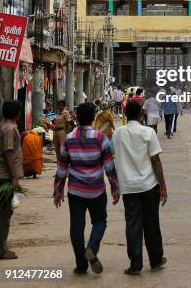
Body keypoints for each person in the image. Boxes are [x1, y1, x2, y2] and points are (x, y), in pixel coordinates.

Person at [53, 102, 119, 275]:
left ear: (77, 118)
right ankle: (91, 247)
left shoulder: (69, 139)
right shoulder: (100, 138)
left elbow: (62, 167)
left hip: (75, 191)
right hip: (96, 190)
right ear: (92, 118)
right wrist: (114, 187)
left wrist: (58, 190)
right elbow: (109, 166)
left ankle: (81, 265)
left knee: (76, 226)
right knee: (100, 221)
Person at [113, 101, 167, 276]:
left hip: (128, 187)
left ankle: (135, 264)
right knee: (152, 223)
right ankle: (156, 260)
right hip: (149, 185)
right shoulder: (148, 132)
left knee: (133, 226)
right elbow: (156, 160)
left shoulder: (118, 133)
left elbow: (111, 155)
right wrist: (163, 185)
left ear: (126, 115)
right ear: (141, 115)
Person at [0, 100, 23, 260]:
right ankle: (0, 249)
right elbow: (8, 152)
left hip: (1, 174)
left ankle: (1, 246)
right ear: (17, 114)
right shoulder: (9, 129)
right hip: (4, 176)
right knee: (3, 214)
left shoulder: (1, 126)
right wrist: (14, 177)